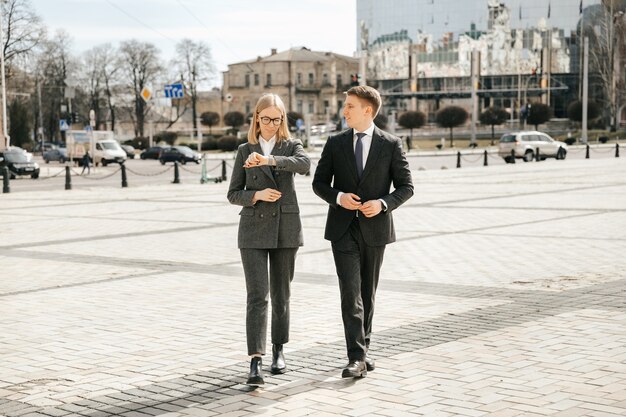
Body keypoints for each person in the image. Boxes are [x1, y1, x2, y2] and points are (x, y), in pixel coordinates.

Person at [312, 85, 413, 378]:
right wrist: (338, 197)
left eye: (350, 106)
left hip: (375, 229)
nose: (344, 111)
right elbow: (319, 183)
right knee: (350, 293)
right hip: (342, 230)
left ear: (367, 110)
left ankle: (364, 349)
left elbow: (407, 187)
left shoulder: (391, 144)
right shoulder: (335, 143)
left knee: (367, 293)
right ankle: (356, 357)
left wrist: (383, 204)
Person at [227, 93, 310, 386]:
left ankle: (279, 350)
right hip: (252, 231)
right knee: (257, 297)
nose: (272, 125)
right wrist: (257, 195)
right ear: (257, 119)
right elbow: (233, 193)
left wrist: (270, 159)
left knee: (281, 295)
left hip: (286, 229)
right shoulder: (243, 149)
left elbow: (304, 164)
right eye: (266, 119)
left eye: (277, 119)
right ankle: (255, 360)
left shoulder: (291, 145)